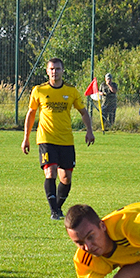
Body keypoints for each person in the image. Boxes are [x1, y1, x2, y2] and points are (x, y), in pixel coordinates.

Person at [22, 58, 95, 220]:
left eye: (58, 69)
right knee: (50, 172)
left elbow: (83, 112)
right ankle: (54, 211)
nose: (55, 72)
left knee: (66, 178)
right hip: (46, 138)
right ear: (47, 71)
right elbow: (31, 113)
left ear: (63, 71)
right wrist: (25, 138)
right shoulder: (39, 90)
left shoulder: (71, 91)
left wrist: (89, 131)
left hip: (66, 140)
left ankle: (57, 208)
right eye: (52, 69)